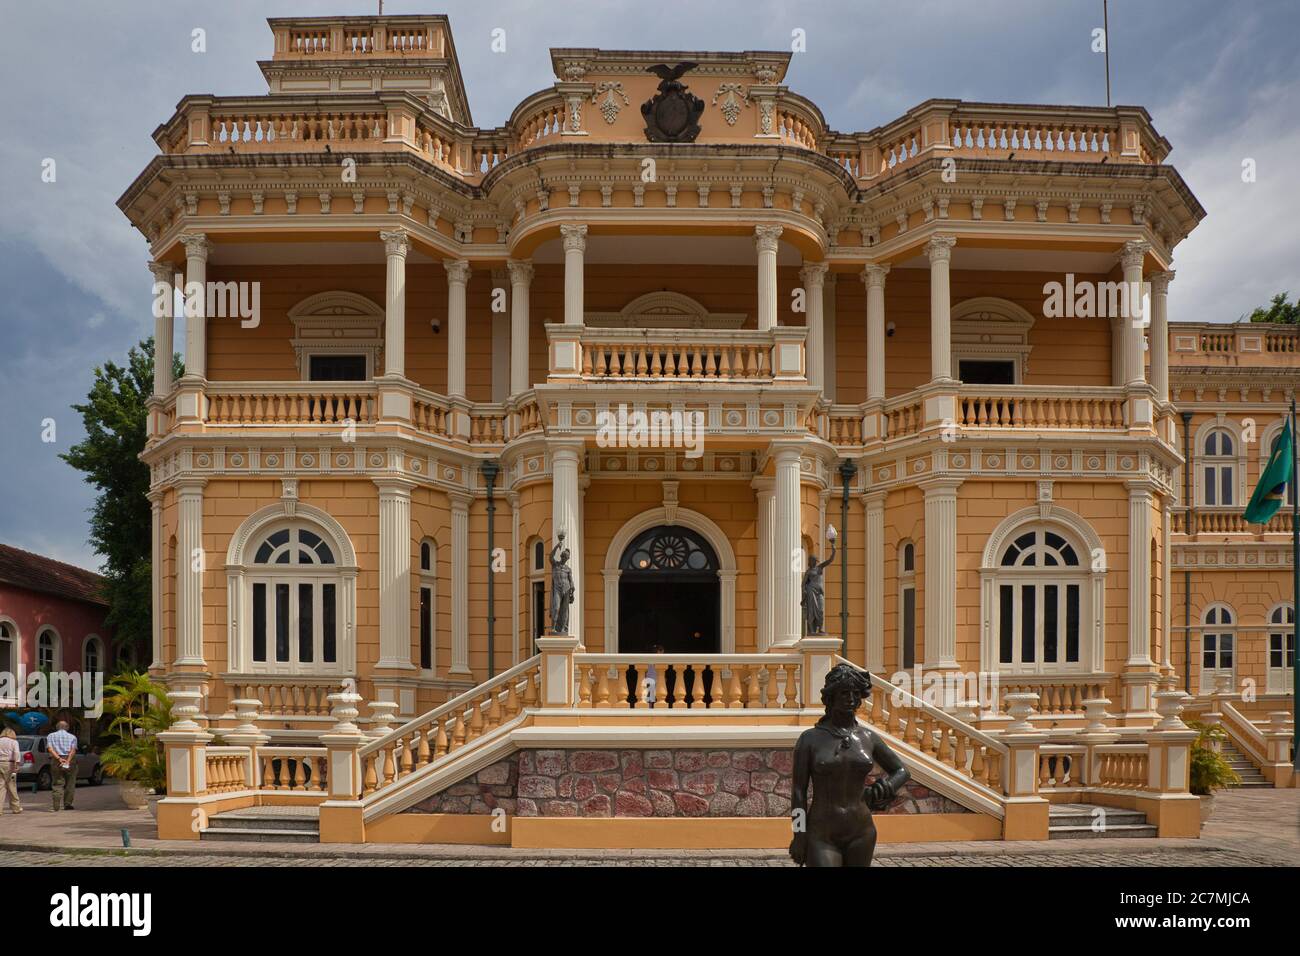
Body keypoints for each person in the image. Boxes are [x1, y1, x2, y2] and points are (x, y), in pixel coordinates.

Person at [789, 663, 908, 867]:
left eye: (855, 693)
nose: (851, 699)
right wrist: (799, 834)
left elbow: (902, 771)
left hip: (861, 832)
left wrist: (886, 787)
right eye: (844, 693)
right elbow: (798, 792)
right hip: (822, 833)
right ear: (831, 696)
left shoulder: (868, 737)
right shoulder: (809, 739)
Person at [46, 721, 78, 812]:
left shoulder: (50, 736)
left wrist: (59, 759)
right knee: (70, 783)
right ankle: (68, 804)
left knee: (57, 783)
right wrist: (67, 760)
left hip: (56, 760)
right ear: (67, 727)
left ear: (57, 727)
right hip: (70, 760)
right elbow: (73, 750)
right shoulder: (72, 737)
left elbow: (50, 749)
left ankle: (56, 806)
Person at [0, 728, 21, 815]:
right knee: (12, 786)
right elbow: (16, 753)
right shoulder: (13, 742)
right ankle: (16, 807)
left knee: (1, 786)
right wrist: (17, 764)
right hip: (10, 764)